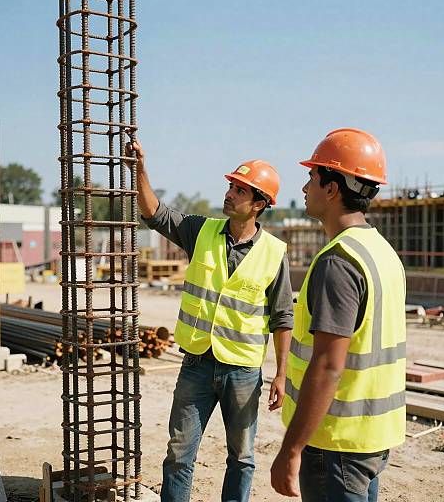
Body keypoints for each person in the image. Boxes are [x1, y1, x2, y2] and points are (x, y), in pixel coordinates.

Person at [125, 139, 293, 502]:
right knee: (179, 455)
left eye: (239, 189)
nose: (229, 193)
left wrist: (281, 373)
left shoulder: (273, 254)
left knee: (242, 458)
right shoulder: (201, 231)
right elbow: (156, 213)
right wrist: (139, 169)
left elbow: (282, 317)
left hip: (243, 372)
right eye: (230, 186)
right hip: (197, 363)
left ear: (260, 204)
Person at [270, 128, 406, 501]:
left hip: (335, 444)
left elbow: (328, 365)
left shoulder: (338, 262)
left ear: (332, 188)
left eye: (312, 177)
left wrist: (291, 449)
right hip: (372, 439)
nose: (304, 188)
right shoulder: (381, 251)